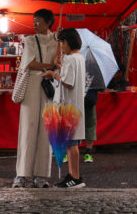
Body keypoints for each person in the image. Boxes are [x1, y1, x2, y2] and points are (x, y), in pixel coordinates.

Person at [13, 9, 59, 189]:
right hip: (32, 85)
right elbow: (29, 64)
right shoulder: (30, 40)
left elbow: (60, 63)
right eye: (34, 20)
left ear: (48, 22)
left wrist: (60, 44)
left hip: (48, 88)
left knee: (45, 131)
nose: (34, 24)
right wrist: (49, 67)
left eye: (38, 20)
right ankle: (22, 175)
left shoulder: (58, 41)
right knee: (28, 128)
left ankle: (41, 175)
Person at [43, 27, 86, 188]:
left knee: (71, 143)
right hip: (75, 104)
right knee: (71, 142)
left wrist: (53, 74)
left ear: (67, 42)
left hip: (68, 105)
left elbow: (68, 82)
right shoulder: (79, 57)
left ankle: (74, 176)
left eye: (61, 42)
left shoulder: (70, 59)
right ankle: (72, 174)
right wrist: (60, 68)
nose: (61, 46)